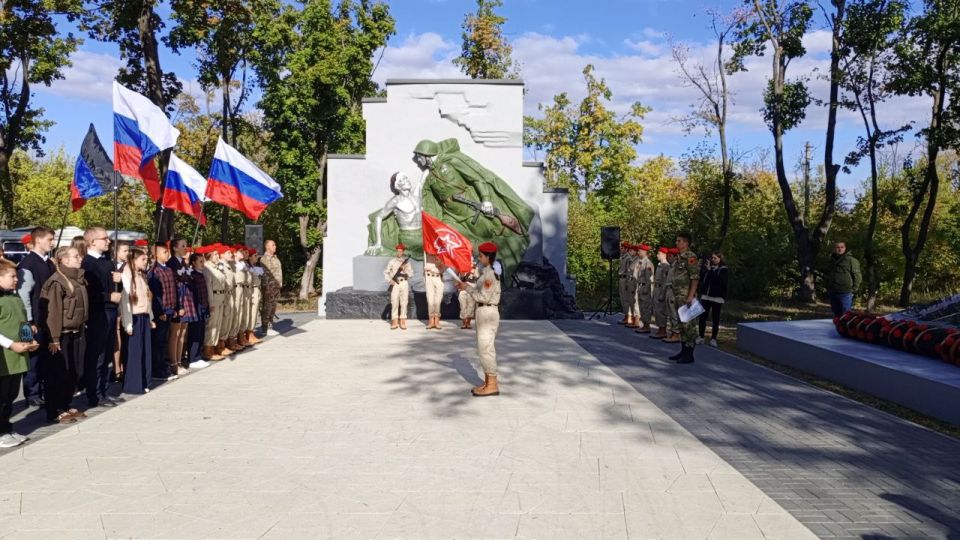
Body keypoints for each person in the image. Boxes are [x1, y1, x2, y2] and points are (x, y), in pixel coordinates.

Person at [40, 246, 88, 424]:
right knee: (57, 373)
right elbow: (53, 311)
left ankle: (66, 403)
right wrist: (54, 338)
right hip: (60, 335)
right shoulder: (57, 281)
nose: (80, 258)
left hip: (76, 331)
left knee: (74, 371)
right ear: (65, 260)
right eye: (76, 256)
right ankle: (54, 410)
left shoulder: (78, 278)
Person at [80, 227, 122, 408]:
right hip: (98, 313)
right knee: (96, 355)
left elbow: (114, 288)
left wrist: (118, 282)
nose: (108, 241)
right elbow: (88, 293)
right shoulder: (87, 264)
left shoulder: (108, 261)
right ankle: (94, 394)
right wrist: (108, 297)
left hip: (111, 311)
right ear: (92, 242)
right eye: (104, 238)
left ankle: (103, 390)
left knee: (106, 355)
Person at [0, 258, 39, 448]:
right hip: (4, 357)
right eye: (12, 276)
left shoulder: (15, 298)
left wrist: (28, 340)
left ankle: (6, 428)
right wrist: (10, 344)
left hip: (18, 355)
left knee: (11, 395)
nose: (16, 280)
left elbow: (22, 321)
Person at [17, 226, 56, 408]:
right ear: (38, 240)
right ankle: (31, 393)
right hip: (33, 321)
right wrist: (29, 321)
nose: (52, 243)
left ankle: (42, 389)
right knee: (33, 358)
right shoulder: (28, 264)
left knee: (44, 358)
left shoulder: (49, 263)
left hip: (48, 318)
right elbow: (24, 294)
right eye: (49, 239)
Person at [457, 242, 502, 397]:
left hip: (488, 312)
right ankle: (488, 381)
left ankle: (493, 384)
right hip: (483, 311)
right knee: (484, 348)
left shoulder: (489, 275)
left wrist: (467, 289)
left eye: (481, 255)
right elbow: (479, 291)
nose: (479, 258)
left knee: (486, 349)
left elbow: (483, 295)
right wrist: (466, 286)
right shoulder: (485, 273)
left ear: (488, 257)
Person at [120, 247, 153, 395]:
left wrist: (150, 316)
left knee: (144, 350)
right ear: (133, 260)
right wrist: (127, 323)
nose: (146, 262)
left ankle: (144, 381)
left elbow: (147, 297)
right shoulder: (126, 275)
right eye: (143, 259)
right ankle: (134, 384)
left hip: (143, 315)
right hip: (134, 317)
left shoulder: (141, 275)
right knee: (134, 352)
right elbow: (125, 301)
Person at [147, 243, 180, 380]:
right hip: (162, 310)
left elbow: (173, 290)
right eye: (164, 252)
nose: (167, 254)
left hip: (170, 308)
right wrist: (159, 311)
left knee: (163, 340)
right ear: (156, 254)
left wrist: (176, 307)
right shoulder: (154, 271)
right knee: (158, 341)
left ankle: (162, 367)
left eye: (167, 252)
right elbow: (156, 294)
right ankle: (157, 369)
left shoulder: (168, 269)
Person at [669, 233, 700, 364]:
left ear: (686, 243)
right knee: (681, 325)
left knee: (689, 326)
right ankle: (683, 351)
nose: (676, 243)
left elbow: (695, 277)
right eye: (676, 241)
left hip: (686, 296)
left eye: (679, 241)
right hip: (678, 295)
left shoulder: (691, 257)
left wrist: (691, 296)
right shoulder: (678, 257)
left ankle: (689, 354)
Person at [166, 238, 191, 376]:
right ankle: (174, 363)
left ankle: (180, 360)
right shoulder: (172, 263)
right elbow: (174, 286)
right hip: (177, 301)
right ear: (174, 248)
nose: (185, 248)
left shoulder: (182, 262)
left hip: (185, 299)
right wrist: (178, 305)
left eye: (185, 246)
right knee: (175, 333)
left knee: (182, 333)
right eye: (182, 246)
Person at [183, 252, 210, 369]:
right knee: (195, 332)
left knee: (201, 332)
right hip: (196, 306)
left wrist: (207, 306)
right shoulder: (193, 275)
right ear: (193, 263)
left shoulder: (201, 274)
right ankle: (193, 357)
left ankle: (198, 355)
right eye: (200, 261)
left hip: (203, 306)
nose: (202, 264)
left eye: (203, 261)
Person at [698, 252, 728, 347]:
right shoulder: (708, 268)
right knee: (702, 317)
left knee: (715, 319)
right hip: (706, 296)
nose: (713, 260)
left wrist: (710, 271)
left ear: (720, 259)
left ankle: (713, 338)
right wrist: (704, 269)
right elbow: (702, 279)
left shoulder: (723, 270)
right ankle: (701, 336)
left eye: (715, 258)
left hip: (717, 297)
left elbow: (720, 282)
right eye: (712, 258)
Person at [201, 246, 227, 361]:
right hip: (214, 297)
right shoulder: (207, 268)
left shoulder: (216, 268)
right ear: (209, 255)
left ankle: (214, 347)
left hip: (220, 297)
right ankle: (207, 349)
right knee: (211, 324)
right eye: (215, 254)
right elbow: (208, 286)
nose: (217, 256)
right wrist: (210, 303)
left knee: (217, 323)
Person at [826, 241, 861, 318]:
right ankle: (838, 329)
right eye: (838, 247)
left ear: (845, 248)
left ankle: (846, 329)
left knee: (846, 315)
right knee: (836, 315)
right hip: (833, 292)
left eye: (842, 247)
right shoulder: (831, 260)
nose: (840, 249)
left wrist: (854, 289)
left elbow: (857, 276)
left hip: (845, 293)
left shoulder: (851, 260)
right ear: (834, 249)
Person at [384, 243, 412, 330]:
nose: (399, 253)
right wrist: (389, 280)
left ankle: (402, 320)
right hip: (395, 284)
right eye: (398, 251)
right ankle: (394, 320)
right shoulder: (392, 261)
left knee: (404, 302)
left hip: (404, 283)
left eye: (401, 251)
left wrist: (405, 270)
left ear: (403, 252)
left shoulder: (406, 263)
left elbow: (411, 274)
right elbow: (386, 272)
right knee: (394, 302)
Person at [260, 240, 283, 336]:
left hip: (276, 287)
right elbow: (265, 274)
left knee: (273, 308)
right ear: (267, 247)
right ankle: (266, 328)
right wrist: (268, 287)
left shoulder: (275, 258)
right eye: (273, 245)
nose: (275, 246)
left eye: (275, 244)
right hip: (269, 288)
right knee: (267, 307)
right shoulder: (265, 259)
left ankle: (270, 326)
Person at [219, 246, 239, 353]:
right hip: (225, 294)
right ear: (221, 254)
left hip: (230, 293)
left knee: (229, 318)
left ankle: (226, 341)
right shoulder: (220, 265)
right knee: (224, 319)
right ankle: (221, 344)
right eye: (228, 253)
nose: (231, 254)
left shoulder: (229, 265)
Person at [633, 244, 655, 334]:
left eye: (640, 251)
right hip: (640, 286)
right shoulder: (640, 262)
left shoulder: (648, 263)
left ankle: (647, 326)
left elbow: (649, 278)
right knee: (641, 306)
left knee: (646, 306)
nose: (638, 252)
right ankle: (644, 324)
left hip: (645, 286)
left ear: (644, 252)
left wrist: (647, 288)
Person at [651, 247, 671, 340]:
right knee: (657, 311)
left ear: (664, 255)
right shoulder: (659, 265)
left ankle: (663, 330)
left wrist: (663, 293)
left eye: (659, 254)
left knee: (661, 310)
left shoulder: (666, 266)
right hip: (657, 288)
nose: (657, 255)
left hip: (661, 289)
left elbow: (666, 281)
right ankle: (660, 328)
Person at [245, 249, 263, 344]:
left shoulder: (254, 266)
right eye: (255, 255)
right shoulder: (247, 266)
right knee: (251, 313)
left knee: (254, 313)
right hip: (252, 290)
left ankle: (251, 332)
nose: (257, 257)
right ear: (250, 257)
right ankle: (249, 333)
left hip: (257, 289)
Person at [424, 253, 445, 329]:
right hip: (429, 279)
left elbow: (443, 269)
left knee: (437, 301)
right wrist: (434, 268)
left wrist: (436, 266)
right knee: (430, 300)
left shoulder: (442, 254)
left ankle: (437, 320)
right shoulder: (427, 255)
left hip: (438, 279)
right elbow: (426, 267)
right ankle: (431, 320)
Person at [458, 262, 479, 329]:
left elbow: (477, 277)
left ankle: (468, 323)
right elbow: (458, 279)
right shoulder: (461, 266)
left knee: (471, 307)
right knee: (463, 306)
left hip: (472, 289)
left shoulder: (475, 266)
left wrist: (473, 269)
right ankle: (464, 323)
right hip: (463, 290)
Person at [617, 241, 633, 325]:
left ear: (626, 249)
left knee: (626, 299)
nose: (621, 249)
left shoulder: (628, 258)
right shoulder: (622, 257)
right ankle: (626, 315)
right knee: (623, 299)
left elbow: (628, 271)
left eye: (622, 248)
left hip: (625, 279)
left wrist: (627, 283)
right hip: (621, 279)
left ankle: (628, 316)